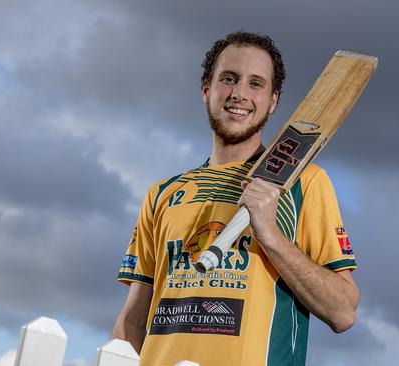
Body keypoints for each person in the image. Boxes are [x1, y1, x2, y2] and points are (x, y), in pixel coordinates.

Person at [113, 31, 359, 366]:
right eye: (229, 79)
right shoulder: (161, 195)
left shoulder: (304, 183)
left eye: (256, 83)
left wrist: (270, 236)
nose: (239, 93)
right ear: (206, 90)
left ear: (273, 101)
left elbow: (343, 311)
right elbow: (132, 322)